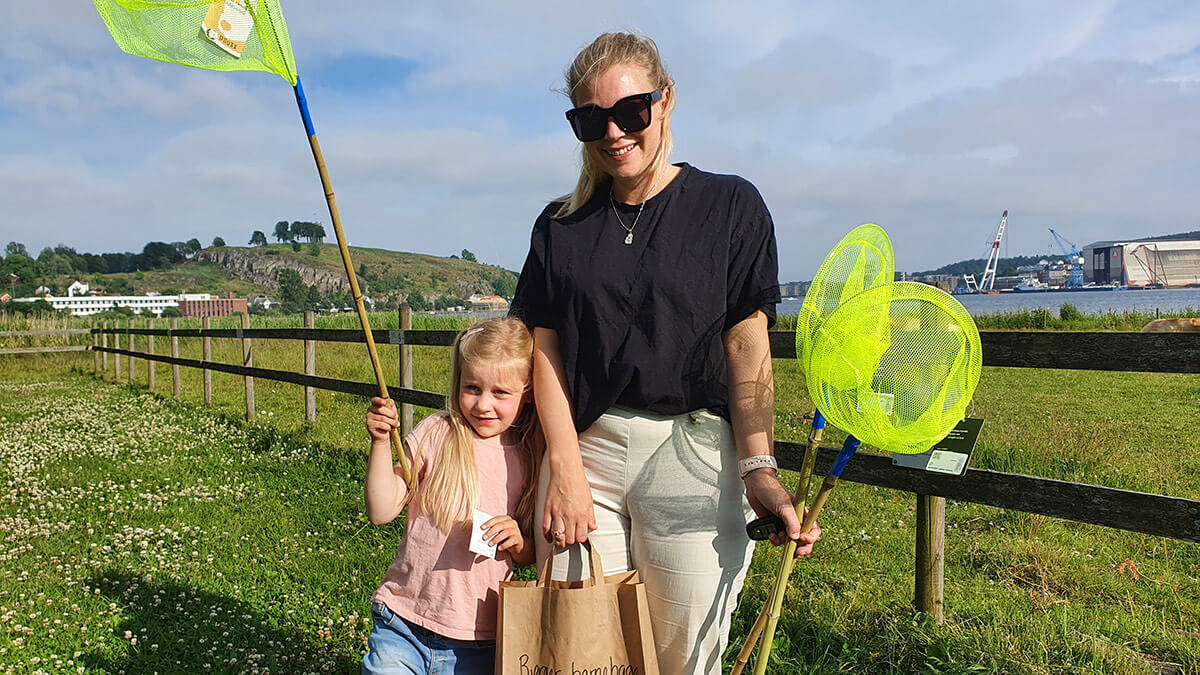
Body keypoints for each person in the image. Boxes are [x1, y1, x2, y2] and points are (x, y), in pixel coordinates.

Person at [509, 32, 821, 674]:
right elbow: (544, 348)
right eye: (590, 119)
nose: (614, 132)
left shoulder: (729, 206)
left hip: (696, 453)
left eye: (631, 111)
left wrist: (759, 467)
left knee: (685, 656)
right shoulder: (559, 225)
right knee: (580, 651)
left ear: (666, 101)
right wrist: (562, 469)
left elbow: (747, 344)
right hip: (586, 452)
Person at [361, 317, 541, 675]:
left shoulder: (529, 457)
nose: (483, 405)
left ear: (528, 393)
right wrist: (381, 443)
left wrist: (519, 542)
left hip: (480, 640)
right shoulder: (436, 433)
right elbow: (381, 510)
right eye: (472, 387)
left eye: (500, 393)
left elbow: (528, 555)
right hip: (403, 623)